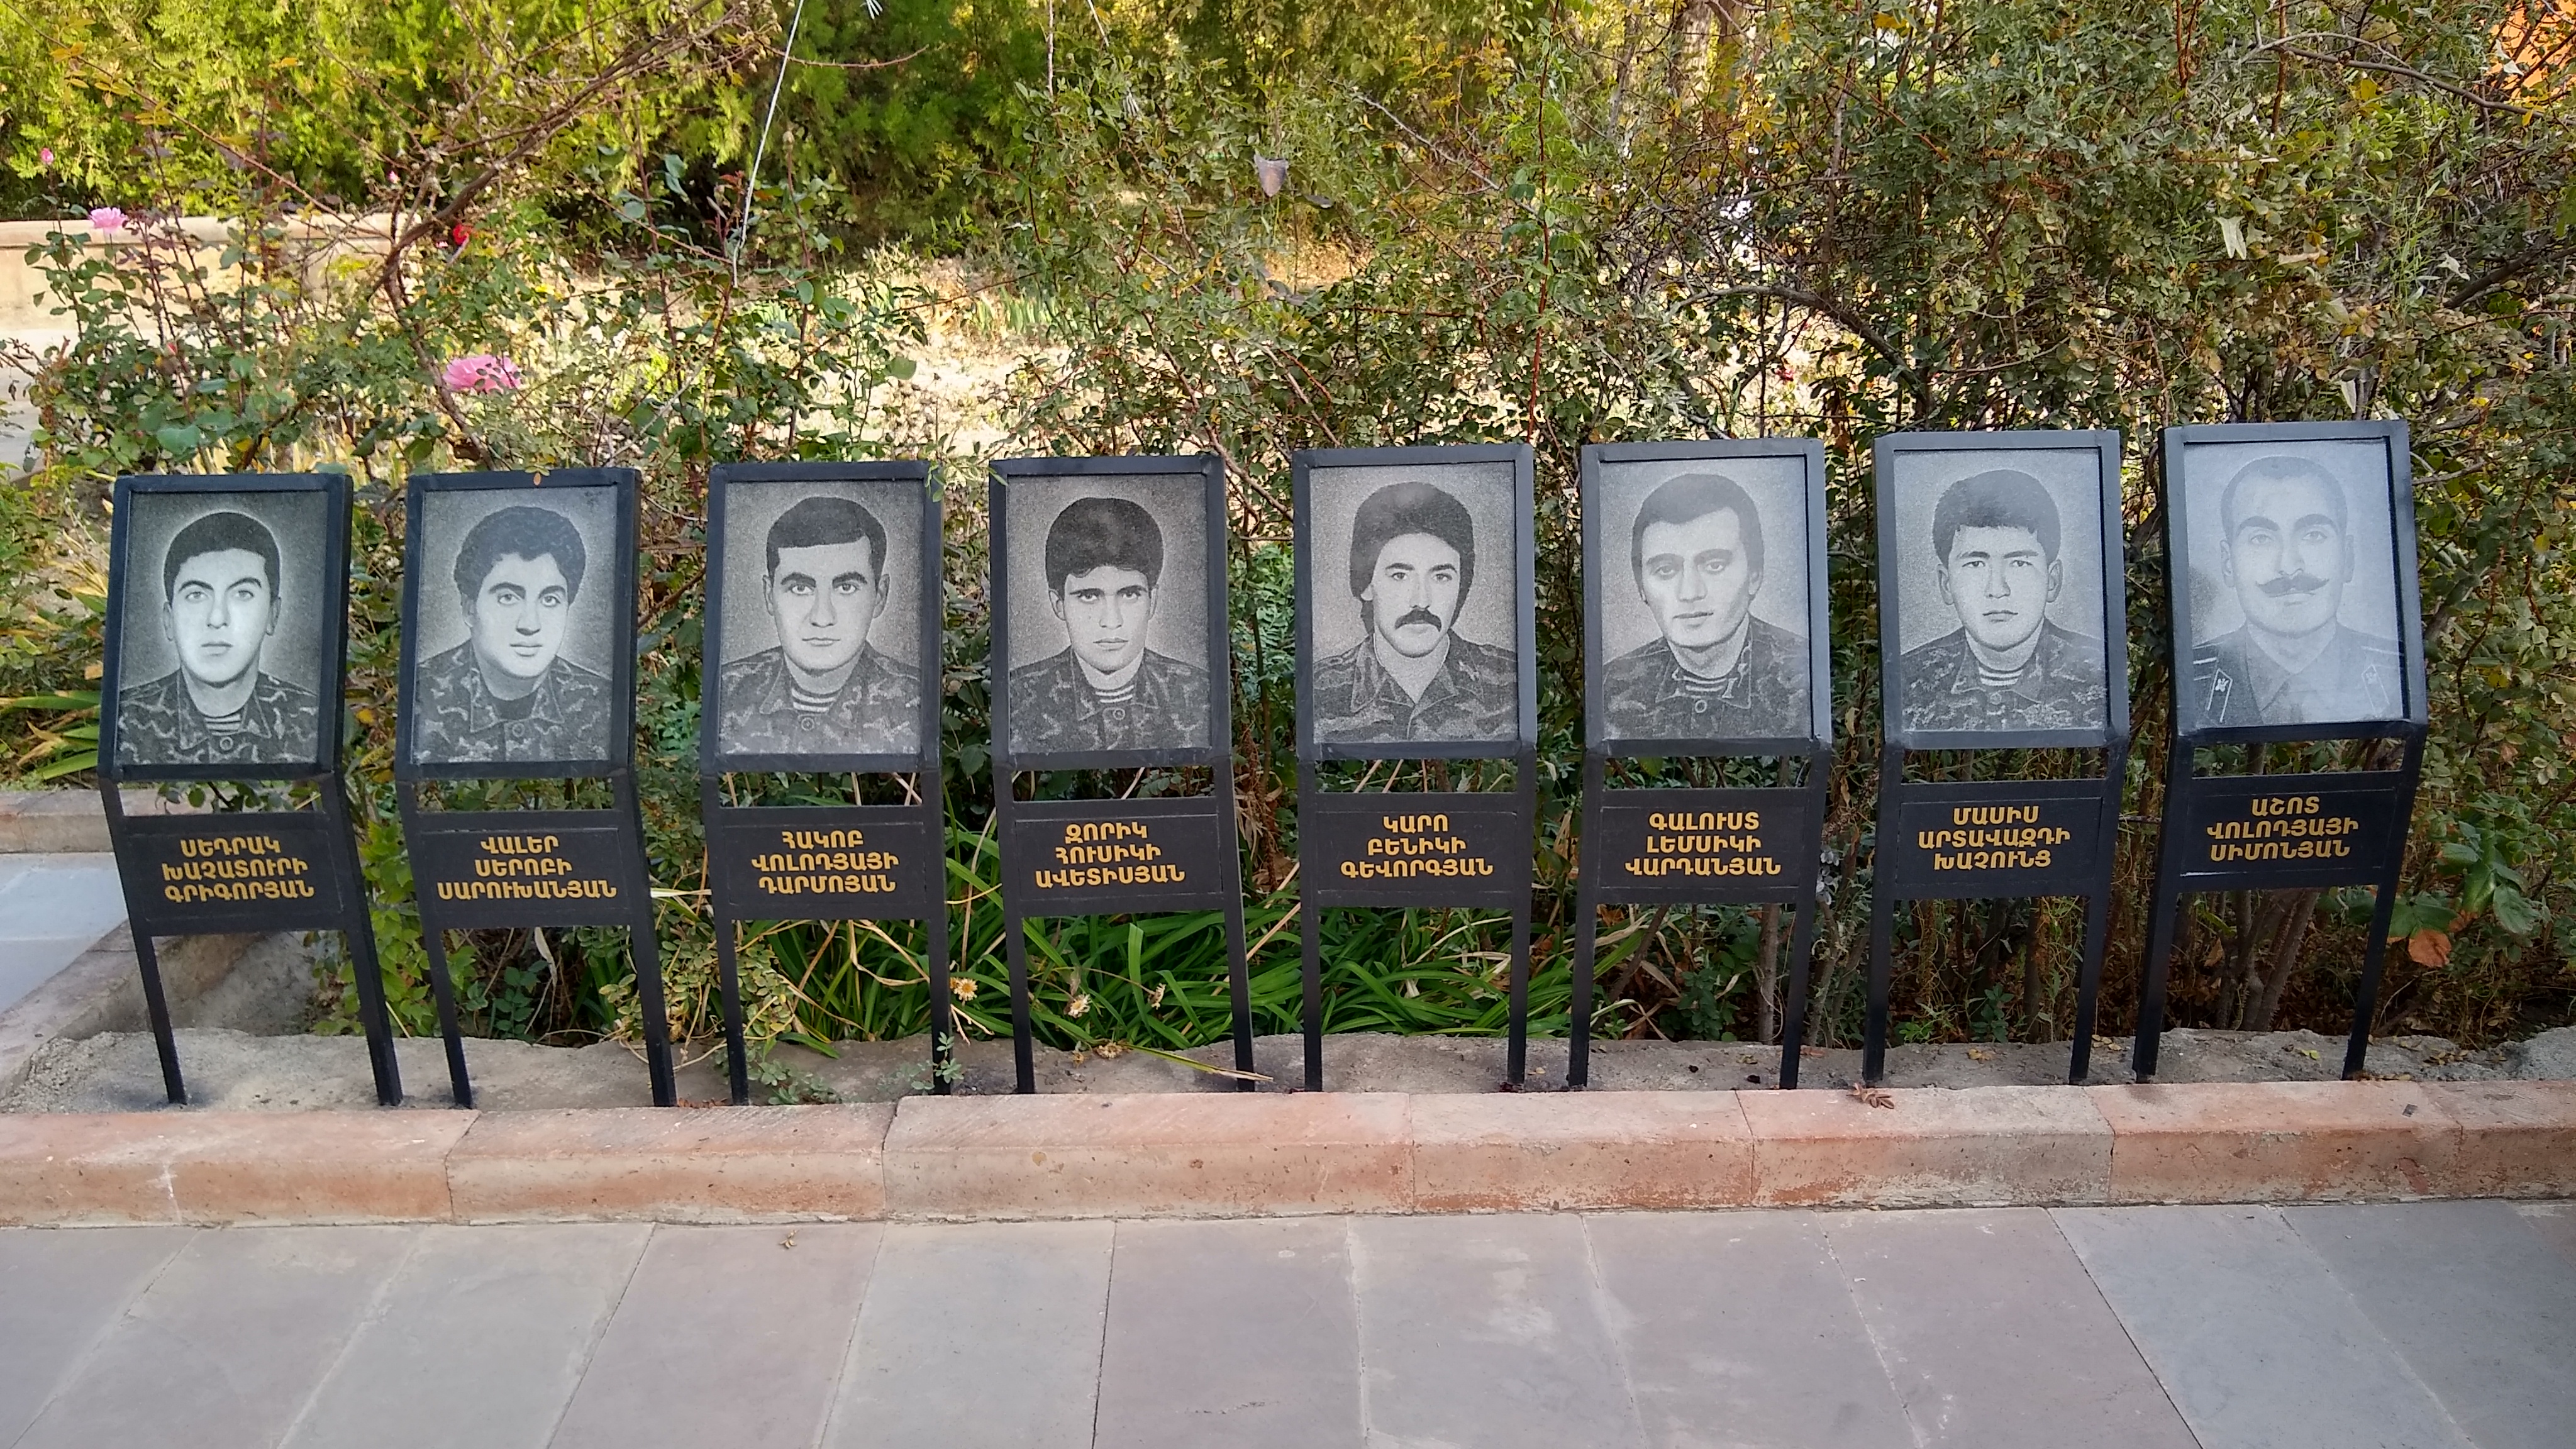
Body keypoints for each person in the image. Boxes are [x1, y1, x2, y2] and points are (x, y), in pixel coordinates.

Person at [2187, 454, 2404, 726]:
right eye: (2261, 539)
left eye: (2314, 535)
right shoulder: (2191, 679)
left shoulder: (2396, 674)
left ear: (2347, 557)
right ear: (2228, 563)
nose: (2289, 567)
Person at [1601, 472, 1809, 740]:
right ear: (1642, 587)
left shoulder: (1806, 674)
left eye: (1715, 565)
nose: (1690, 592)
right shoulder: (1610, 687)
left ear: (1754, 575)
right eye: (1666, 570)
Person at [1897, 469, 2107, 733]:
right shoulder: (1907, 679)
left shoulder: (2099, 675)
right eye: (1975, 564)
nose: (1997, 589)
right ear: (1946, 584)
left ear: (2052, 581)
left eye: (2019, 563)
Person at [1311, 479, 1519, 744]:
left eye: (1441, 577)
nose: (1421, 601)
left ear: (1461, 586)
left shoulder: (1509, 680)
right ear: (1366, 585)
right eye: (1400, 575)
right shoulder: (1320, 690)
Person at [715, 496, 919, 755]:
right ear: (769, 595)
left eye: (846, 588)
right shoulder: (727, 691)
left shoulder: (915, 700)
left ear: (880, 596)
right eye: (800, 588)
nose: (822, 617)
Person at [412, 503, 612, 763]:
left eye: (550, 599)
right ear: (469, 608)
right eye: (508, 597)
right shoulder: (420, 697)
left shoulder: (602, 703)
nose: (530, 624)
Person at [1007, 495, 1209, 754]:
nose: (1112, 621)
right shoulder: (1018, 697)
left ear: (1153, 600)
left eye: (1129, 594)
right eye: (1089, 596)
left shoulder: (1197, 693)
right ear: (1059, 604)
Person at [117, 509, 321, 765]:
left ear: (273, 614)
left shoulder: (312, 719)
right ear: (169, 619)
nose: (216, 618)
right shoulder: (125, 721)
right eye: (196, 595)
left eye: (243, 594)